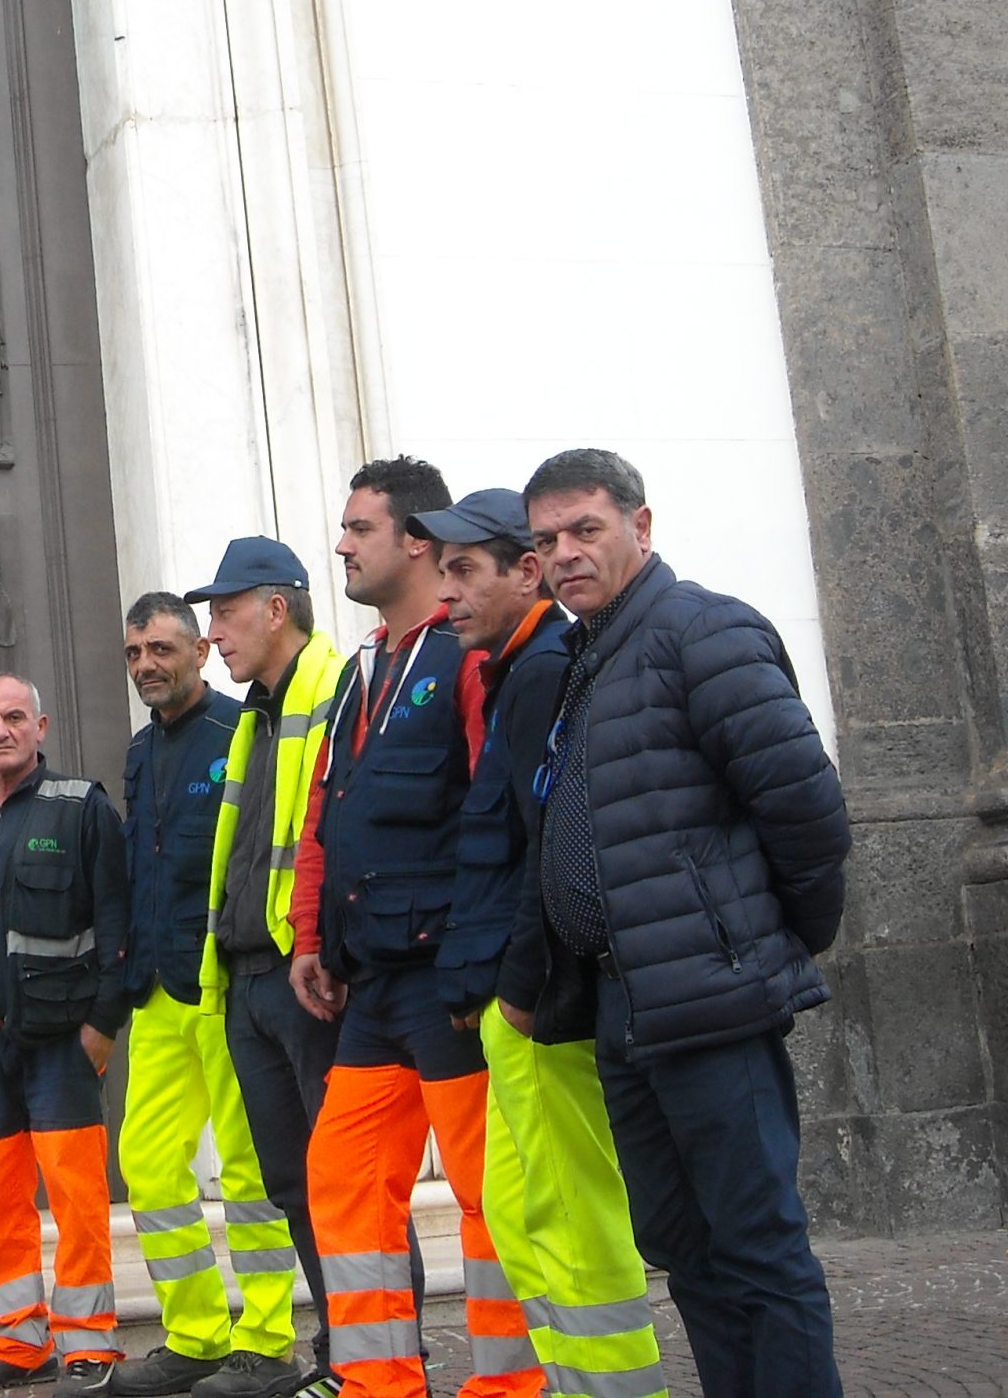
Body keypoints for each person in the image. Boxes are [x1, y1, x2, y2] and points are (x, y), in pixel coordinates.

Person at [513, 449, 849, 1398]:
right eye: (548, 542)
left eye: (587, 529)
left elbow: (809, 817)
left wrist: (760, 945)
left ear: (642, 526)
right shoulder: (591, 654)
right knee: (683, 1245)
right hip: (626, 1006)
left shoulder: (702, 631)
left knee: (758, 1244)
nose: (566, 555)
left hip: (711, 1002)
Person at [290, 459, 538, 1398]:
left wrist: (485, 963)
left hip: (449, 979)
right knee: (343, 1178)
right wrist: (311, 937)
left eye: (360, 529)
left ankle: (512, 1384)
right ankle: (380, 1383)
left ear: (417, 542)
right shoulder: (362, 671)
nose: (344, 546)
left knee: (485, 1190)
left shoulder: (466, 658)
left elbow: (496, 813)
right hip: (372, 981)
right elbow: (327, 817)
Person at [417, 489, 668, 1398]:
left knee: (570, 1221)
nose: (446, 595)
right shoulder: (508, 673)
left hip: (538, 1006)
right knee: (528, 1220)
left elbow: (549, 849)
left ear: (526, 575)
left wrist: (515, 989)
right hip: (509, 1002)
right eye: (441, 573)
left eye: (463, 572)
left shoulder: (544, 671)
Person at [0, 675, 129, 1397]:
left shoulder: (82, 810)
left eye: (14, 718)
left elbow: (116, 926)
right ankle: (15, 1341)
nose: (1, 731)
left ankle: (87, 1345)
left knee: (76, 1197)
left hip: (60, 1046)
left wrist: (102, 1029)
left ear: (41, 726)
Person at [108, 596, 298, 1398]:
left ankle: (267, 1341)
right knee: (147, 1162)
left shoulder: (242, 733)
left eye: (161, 648)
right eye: (133, 653)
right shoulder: (140, 752)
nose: (147, 664)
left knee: (249, 1172)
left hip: (223, 986)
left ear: (197, 650)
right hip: (158, 992)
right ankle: (193, 1335)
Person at [183, 537, 354, 1370]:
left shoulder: (336, 689)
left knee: (343, 1185)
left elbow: (336, 836)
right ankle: (340, 1352)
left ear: (276, 608)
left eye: (224, 610)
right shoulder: (254, 712)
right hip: (249, 979)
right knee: (292, 1185)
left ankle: (374, 1362)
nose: (212, 632)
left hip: (307, 978)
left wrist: (319, 945)